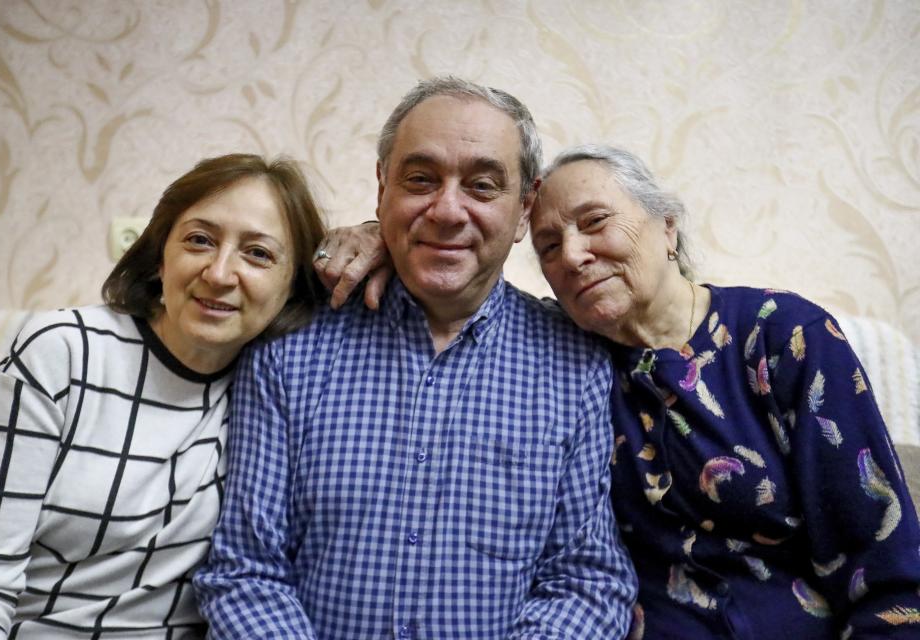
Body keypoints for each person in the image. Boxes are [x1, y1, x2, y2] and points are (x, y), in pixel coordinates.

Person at [321, 143, 920, 638]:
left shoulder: (782, 337)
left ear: (666, 225)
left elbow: (891, 577)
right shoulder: (563, 355)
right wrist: (380, 236)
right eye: (549, 246)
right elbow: (457, 275)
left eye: (595, 222)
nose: (574, 256)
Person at [192, 78, 638, 639]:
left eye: (482, 186)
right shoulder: (290, 344)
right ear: (382, 188)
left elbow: (586, 581)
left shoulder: (575, 364)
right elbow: (245, 571)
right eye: (421, 179)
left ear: (525, 206)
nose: (448, 210)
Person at [0, 153, 327, 639]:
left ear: (293, 285)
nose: (219, 273)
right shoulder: (62, 354)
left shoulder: (276, 387)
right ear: (160, 256)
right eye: (200, 240)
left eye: (258, 254)